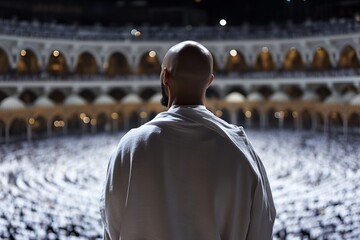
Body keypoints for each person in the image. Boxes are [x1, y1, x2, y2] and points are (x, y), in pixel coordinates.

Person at [100, 40, 276, 240]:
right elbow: (262, 228)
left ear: (165, 76)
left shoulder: (130, 147)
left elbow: (111, 227)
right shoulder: (241, 151)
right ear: (210, 81)